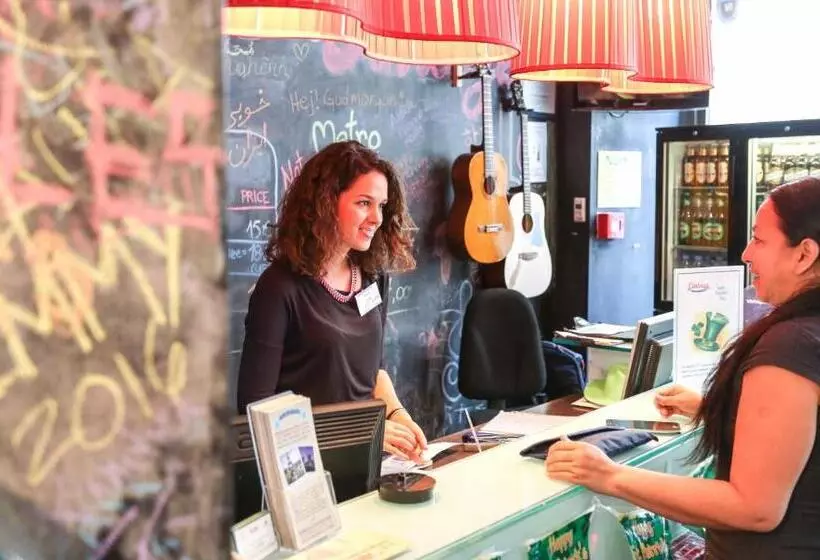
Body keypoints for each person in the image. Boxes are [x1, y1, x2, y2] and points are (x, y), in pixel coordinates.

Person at [546, 176, 820, 558]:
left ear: (804, 254)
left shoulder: (791, 345)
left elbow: (755, 507)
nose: (745, 253)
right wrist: (719, 411)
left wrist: (610, 475)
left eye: (759, 239)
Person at [237, 140, 427, 462]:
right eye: (364, 203)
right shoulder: (280, 287)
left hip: (366, 458)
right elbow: (255, 410)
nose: (377, 218)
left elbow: (373, 371)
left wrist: (397, 415)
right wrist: (360, 429)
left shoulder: (373, 277)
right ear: (325, 203)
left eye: (381, 206)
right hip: (305, 470)